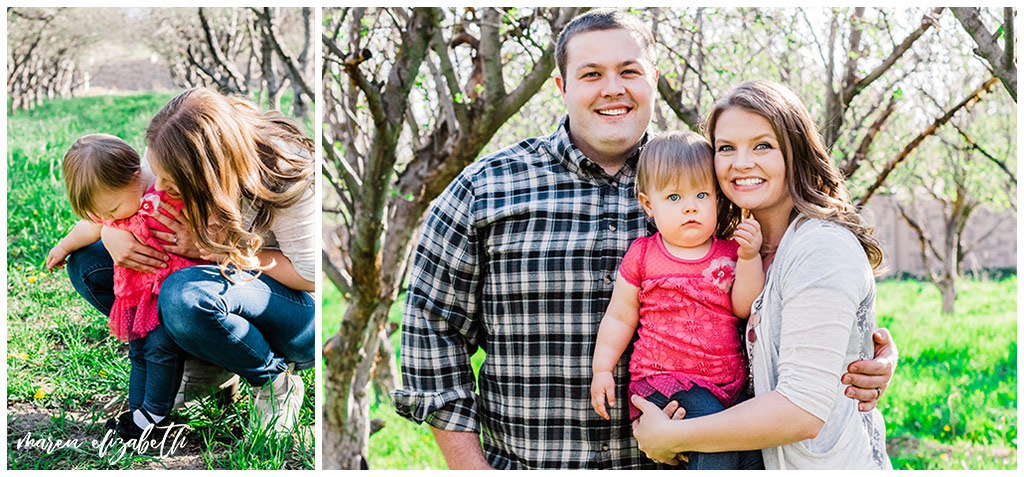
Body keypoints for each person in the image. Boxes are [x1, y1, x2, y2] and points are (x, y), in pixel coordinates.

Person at [394, 9, 896, 470]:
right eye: (591, 74)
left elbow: (793, 286)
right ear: (561, 85)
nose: (613, 88)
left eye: (629, 71)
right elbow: (429, 330)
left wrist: (863, 359)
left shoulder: (706, 177)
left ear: (653, 79)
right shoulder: (487, 189)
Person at [631, 80, 892, 469]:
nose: (741, 163)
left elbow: (802, 412)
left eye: (763, 145)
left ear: (795, 151)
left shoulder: (820, 248)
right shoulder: (729, 251)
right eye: (726, 149)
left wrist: (672, 437)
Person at [65, 88, 315, 434]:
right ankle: (205, 365)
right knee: (88, 263)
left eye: (172, 182)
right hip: (221, 288)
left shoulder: (285, 173)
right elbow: (131, 195)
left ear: (210, 171)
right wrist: (112, 232)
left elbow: (309, 276)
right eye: (155, 173)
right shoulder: (173, 153)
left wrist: (216, 251)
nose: (160, 189)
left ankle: (273, 381)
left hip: (294, 315)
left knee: (184, 294)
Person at [590, 131, 764, 469]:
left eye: (701, 194)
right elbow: (620, 317)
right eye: (673, 197)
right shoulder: (643, 255)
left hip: (727, 383)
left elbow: (744, 307)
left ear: (718, 199)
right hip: (665, 381)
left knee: (751, 455)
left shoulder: (729, 254)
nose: (690, 206)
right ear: (648, 205)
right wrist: (602, 369)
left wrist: (749, 257)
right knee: (715, 442)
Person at [46, 134, 197, 439]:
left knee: (159, 350)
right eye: (100, 213)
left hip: (170, 293)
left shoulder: (160, 198)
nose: (107, 219)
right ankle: (136, 410)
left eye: (112, 209)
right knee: (138, 349)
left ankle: (154, 415)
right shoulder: (112, 209)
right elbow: (91, 227)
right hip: (141, 298)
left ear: (136, 175)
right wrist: (63, 247)